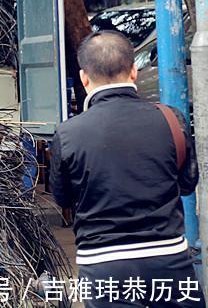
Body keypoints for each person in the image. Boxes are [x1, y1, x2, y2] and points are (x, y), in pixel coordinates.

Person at [50, 31, 204, 308]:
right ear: (134, 71)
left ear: (85, 78)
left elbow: (63, 199)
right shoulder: (171, 119)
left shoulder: (68, 133)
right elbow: (187, 183)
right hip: (168, 259)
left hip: (102, 264)